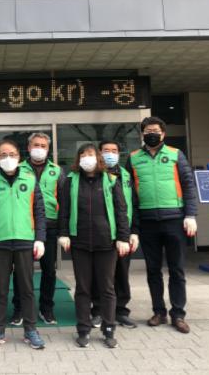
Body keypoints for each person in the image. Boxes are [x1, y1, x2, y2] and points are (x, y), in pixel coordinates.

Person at [126, 116, 198, 334]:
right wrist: (134, 227)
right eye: (148, 131)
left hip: (174, 219)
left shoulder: (176, 154)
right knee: (153, 270)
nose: (152, 134)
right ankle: (159, 311)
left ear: (163, 133)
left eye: (155, 130)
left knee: (177, 269)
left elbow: (188, 184)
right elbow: (130, 195)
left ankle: (178, 314)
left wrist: (190, 214)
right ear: (142, 134)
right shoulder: (134, 158)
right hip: (148, 221)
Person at [58, 142, 130, 348]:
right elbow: (64, 210)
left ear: (98, 158)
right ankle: (83, 329)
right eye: (83, 155)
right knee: (83, 288)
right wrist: (64, 233)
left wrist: (123, 237)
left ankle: (109, 329)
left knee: (107, 288)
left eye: (90, 154)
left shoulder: (111, 180)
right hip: (79, 243)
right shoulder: (70, 181)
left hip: (106, 242)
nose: (87, 158)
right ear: (78, 159)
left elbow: (121, 210)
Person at [0, 138, 47, 350]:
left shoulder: (30, 180)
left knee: (27, 288)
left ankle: (31, 330)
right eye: (3, 155)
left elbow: (39, 212)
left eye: (12, 154)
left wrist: (40, 238)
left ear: (19, 156)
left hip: (25, 241)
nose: (8, 158)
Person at [11, 132, 65, 326]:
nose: (39, 149)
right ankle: (19, 308)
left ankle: (46, 308)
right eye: (36, 145)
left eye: (43, 146)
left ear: (48, 149)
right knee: (21, 271)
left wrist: (63, 230)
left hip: (49, 225)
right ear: (28, 147)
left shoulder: (57, 171)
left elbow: (63, 201)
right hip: (24, 226)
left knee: (48, 270)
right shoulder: (17, 169)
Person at [90, 140, 140, 329]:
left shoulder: (126, 175)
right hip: (101, 233)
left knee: (121, 273)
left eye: (114, 151)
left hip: (123, 233)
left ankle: (120, 311)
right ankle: (98, 311)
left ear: (119, 154)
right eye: (106, 150)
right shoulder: (93, 174)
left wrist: (134, 231)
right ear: (99, 153)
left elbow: (134, 203)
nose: (110, 154)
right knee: (99, 274)